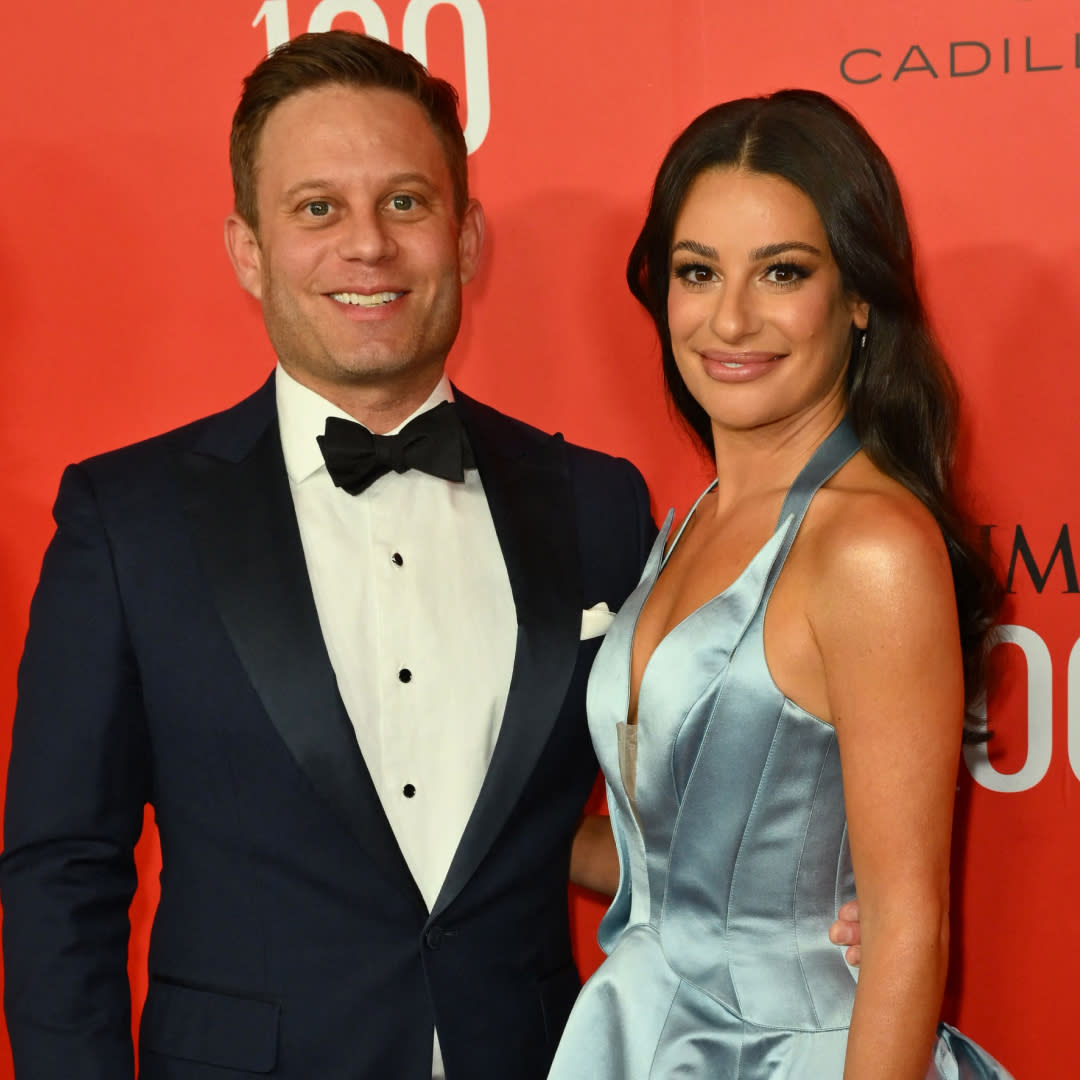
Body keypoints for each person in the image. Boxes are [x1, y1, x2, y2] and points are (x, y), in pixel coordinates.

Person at [0, 35, 860, 1080]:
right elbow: (61, 874)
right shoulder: (127, 520)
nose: (368, 246)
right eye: (317, 208)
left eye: (405, 202)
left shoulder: (596, 503)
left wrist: (806, 905)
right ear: (247, 248)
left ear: (466, 238)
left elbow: (674, 801)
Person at [548, 90, 1011, 1078]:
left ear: (858, 296)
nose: (730, 318)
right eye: (697, 272)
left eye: (783, 272)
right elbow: (667, 874)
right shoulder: (691, 522)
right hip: (642, 1038)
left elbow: (903, 930)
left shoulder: (872, 548)